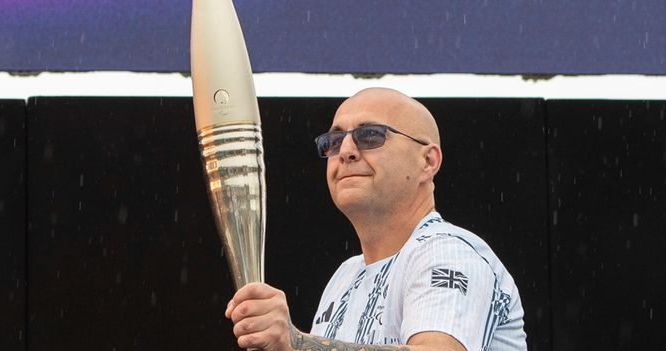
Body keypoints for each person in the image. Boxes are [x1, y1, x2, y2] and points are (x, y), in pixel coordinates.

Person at [225, 87, 527, 351]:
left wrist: (296, 343)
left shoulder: (448, 251)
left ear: (428, 161)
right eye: (334, 140)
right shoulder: (345, 277)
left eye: (370, 135)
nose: (345, 151)